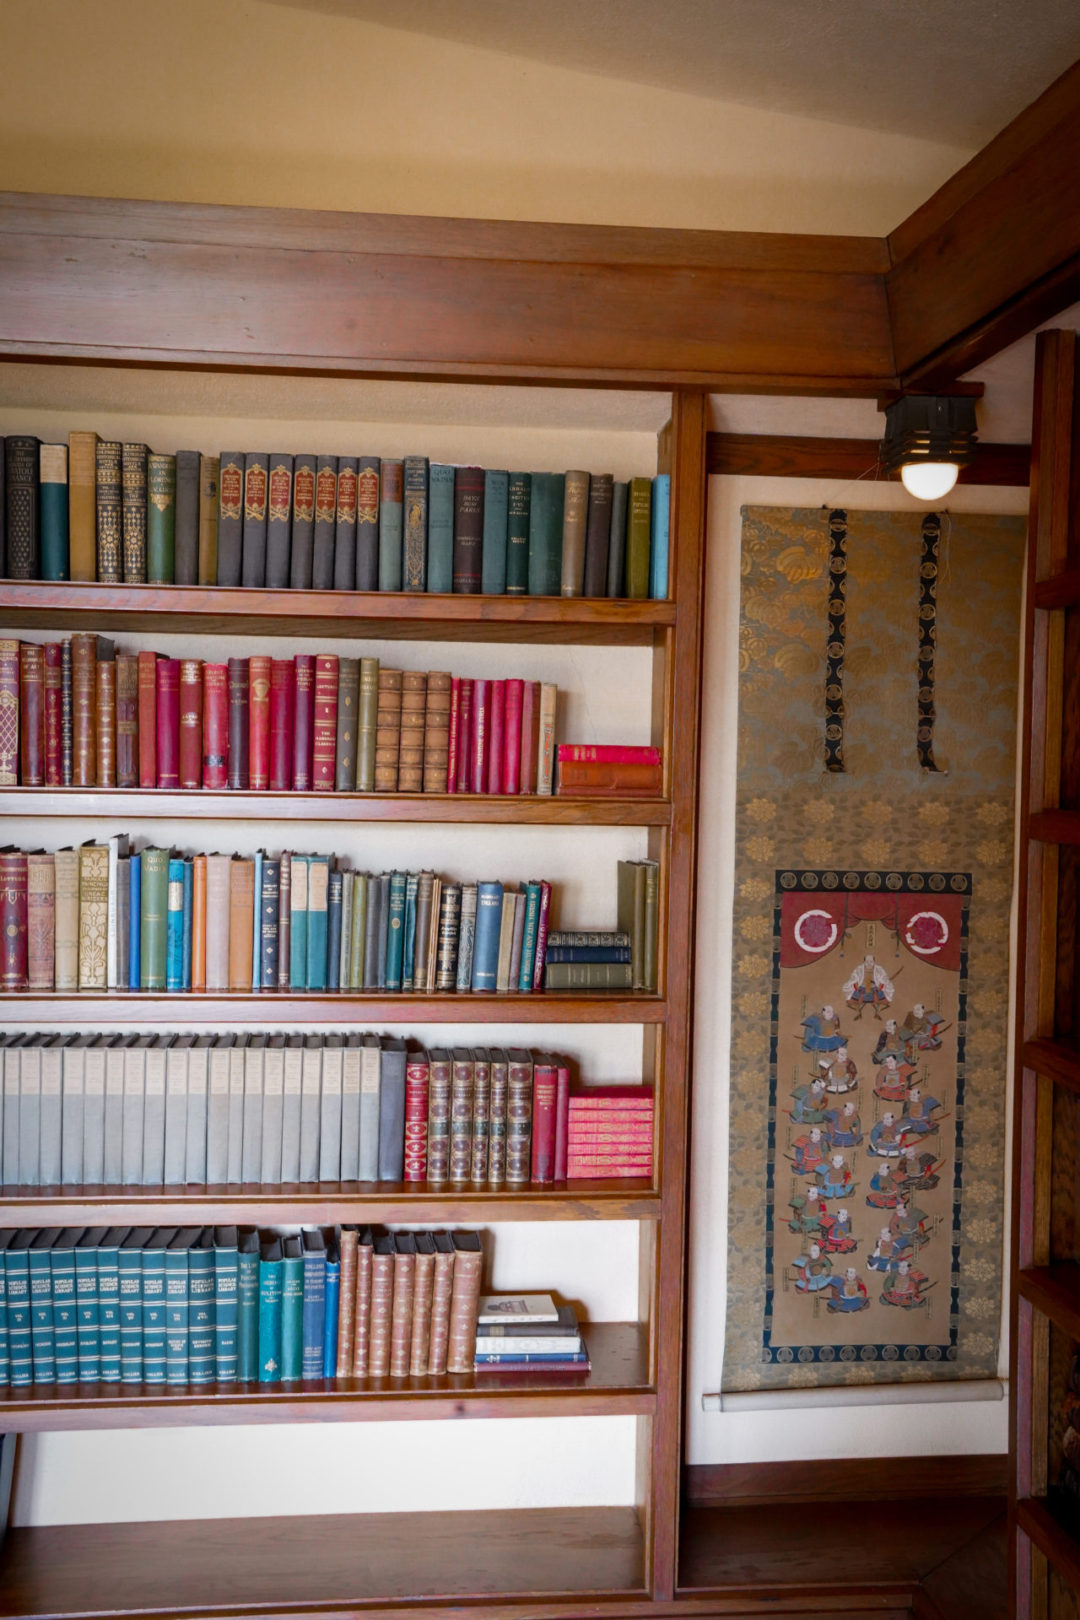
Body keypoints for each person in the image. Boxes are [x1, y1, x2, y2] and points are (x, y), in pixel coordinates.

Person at [843, 954, 894, 1019]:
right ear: (864, 962)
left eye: (871, 961)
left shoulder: (879, 969)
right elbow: (853, 979)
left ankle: (877, 1007)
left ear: (874, 961)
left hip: (875, 989)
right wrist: (857, 988)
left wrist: (880, 987)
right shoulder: (859, 969)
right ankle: (859, 1011)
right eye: (867, 961)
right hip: (862, 989)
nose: (869, 963)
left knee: (887, 1001)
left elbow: (884, 980)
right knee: (849, 1001)